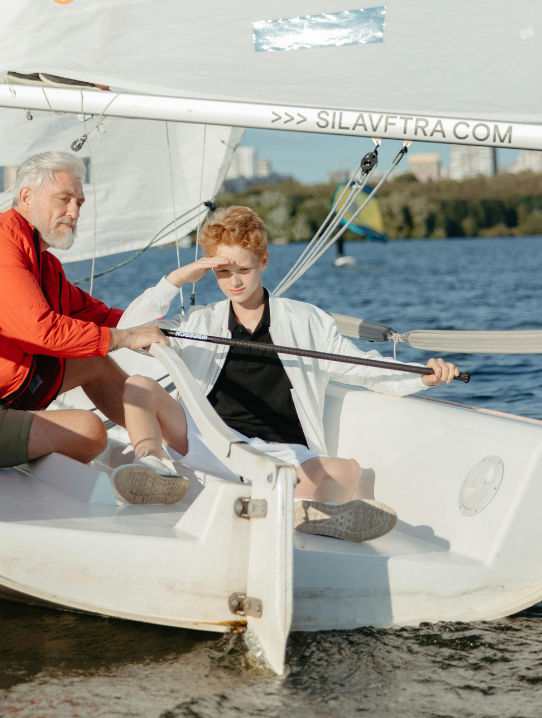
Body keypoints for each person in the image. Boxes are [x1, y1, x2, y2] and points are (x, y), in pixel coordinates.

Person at [108, 206, 460, 542]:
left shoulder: (306, 320)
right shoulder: (198, 322)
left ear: (263, 261)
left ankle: (308, 512)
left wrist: (421, 375)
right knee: (139, 385)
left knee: (347, 470)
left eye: (243, 270)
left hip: (281, 455)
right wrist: (174, 280)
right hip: (210, 442)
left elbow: (363, 368)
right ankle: (154, 468)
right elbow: (129, 333)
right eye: (222, 272)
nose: (233, 282)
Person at [0, 151, 168, 472]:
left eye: (79, 203)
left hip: (1, 395)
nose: (73, 212)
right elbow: (38, 330)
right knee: (88, 430)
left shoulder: (44, 263)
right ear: (27, 197)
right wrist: (126, 337)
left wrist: (162, 328)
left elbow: (98, 315)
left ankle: (164, 452)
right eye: (64, 199)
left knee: (94, 360)